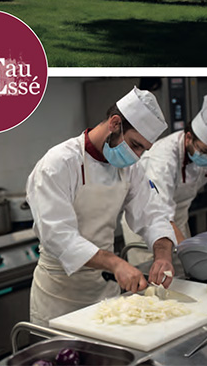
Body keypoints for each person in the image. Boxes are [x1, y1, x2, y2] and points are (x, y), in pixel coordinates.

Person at [26, 87, 176, 327]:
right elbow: (59, 236)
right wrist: (116, 263)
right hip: (59, 298)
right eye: (135, 145)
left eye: (143, 150)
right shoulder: (58, 164)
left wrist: (163, 255)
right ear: (115, 124)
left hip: (105, 295)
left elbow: (152, 215)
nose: (137, 156)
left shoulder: (130, 168)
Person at [121, 95, 207, 264]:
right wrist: (190, 254)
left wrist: (188, 253)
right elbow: (161, 214)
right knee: (154, 278)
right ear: (188, 137)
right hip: (148, 224)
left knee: (186, 273)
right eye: (204, 151)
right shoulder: (163, 160)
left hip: (178, 220)